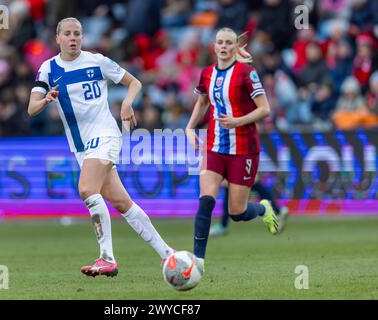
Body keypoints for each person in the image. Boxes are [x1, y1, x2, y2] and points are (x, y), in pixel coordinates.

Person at [28, 17, 174, 277]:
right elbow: (32, 108)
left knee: (86, 188)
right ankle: (168, 254)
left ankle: (107, 257)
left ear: (82, 38)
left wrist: (127, 103)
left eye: (78, 34)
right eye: (68, 34)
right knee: (122, 203)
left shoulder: (97, 61)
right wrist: (47, 99)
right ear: (58, 39)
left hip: (106, 135)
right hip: (81, 146)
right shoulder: (48, 69)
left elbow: (135, 82)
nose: (73, 38)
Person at [185, 28, 279, 269]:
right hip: (214, 146)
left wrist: (237, 121)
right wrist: (189, 127)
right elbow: (203, 101)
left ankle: (262, 208)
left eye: (229, 42)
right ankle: (199, 260)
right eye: (220, 42)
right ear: (214, 47)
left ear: (235, 47)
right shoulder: (207, 73)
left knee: (237, 212)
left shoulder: (247, 73)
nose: (224, 46)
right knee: (206, 200)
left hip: (243, 149)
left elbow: (265, 108)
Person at [209, 179, 289, 237]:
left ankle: (223, 225)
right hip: (239, 157)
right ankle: (277, 210)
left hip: (241, 157)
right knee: (247, 181)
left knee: (234, 182)